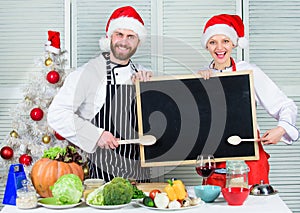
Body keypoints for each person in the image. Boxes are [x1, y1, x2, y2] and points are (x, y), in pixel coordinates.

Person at [47, 6, 153, 182]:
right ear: (109, 37)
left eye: (130, 36)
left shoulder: (144, 73)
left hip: (140, 175)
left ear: (138, 42)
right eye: (119, 34)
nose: (124, 42)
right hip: (103, 174)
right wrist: (96, 135)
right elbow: (57, 114)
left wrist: (151, 90)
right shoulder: (87, 74)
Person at [198, 14, 299, 185]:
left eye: (225, 41)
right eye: (213, 42)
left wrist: (282, 128)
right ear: (207, 45)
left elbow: (286, 105)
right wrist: (196, 84)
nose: (219, 47)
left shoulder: (250, 72)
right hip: (216, 160)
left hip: (250, 157)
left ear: (234, 43)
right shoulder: (200, 76)